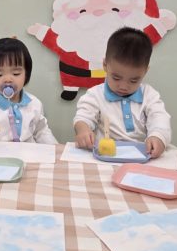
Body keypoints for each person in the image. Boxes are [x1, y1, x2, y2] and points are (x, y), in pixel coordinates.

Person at [73, 27, 171, 157]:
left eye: (134, 80)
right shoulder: (95, 95)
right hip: (106, 156)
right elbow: (83, 117)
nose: (124, 86)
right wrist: (83, 129)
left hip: (141, 155)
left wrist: (158, 137)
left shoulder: (149, 95)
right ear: (105, 65)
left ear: (145, 71)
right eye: (116, 78)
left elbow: (160, 119)